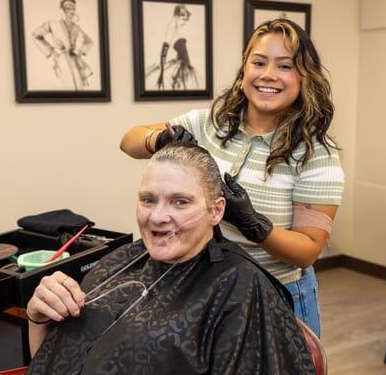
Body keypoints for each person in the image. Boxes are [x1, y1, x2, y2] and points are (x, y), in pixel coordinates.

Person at [120, 18, 345, 337]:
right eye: (259, 62)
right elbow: (129, 140)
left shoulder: (315, 153)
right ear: (244, 72)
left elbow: (308, 250)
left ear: (304, 78)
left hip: (278, 296)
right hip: (210, 290)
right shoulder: (209, 124)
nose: (268, 75)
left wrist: (254, 224)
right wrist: (158, 140)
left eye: (284, 66)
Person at [25, 142, 316, 374]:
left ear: (216, 211)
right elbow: (54, 360)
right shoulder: (119, 262)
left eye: (180, 201)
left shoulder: (239, 288)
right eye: (148, 200)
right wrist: (38, 319)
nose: (158, 216)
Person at [32, 0, 93, 90]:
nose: (72, 10)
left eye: (73, 8)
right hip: (61, 59)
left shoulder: (76, 27)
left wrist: (80, 51)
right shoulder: (52, 24)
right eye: (68, 8)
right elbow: (36, 35)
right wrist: (51, 51)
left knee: (78, 88)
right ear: (62, 9)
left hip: (74, 59)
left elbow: (89, 42)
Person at [146, 3, 199, 90]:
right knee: (186, 73)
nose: (186, 18)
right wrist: (162, 73)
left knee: (185, 74)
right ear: (177, 16)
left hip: (180, 52)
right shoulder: (172, 26)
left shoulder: (177, 25)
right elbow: (165, 46)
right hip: (179, 51)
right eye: (183, 15)